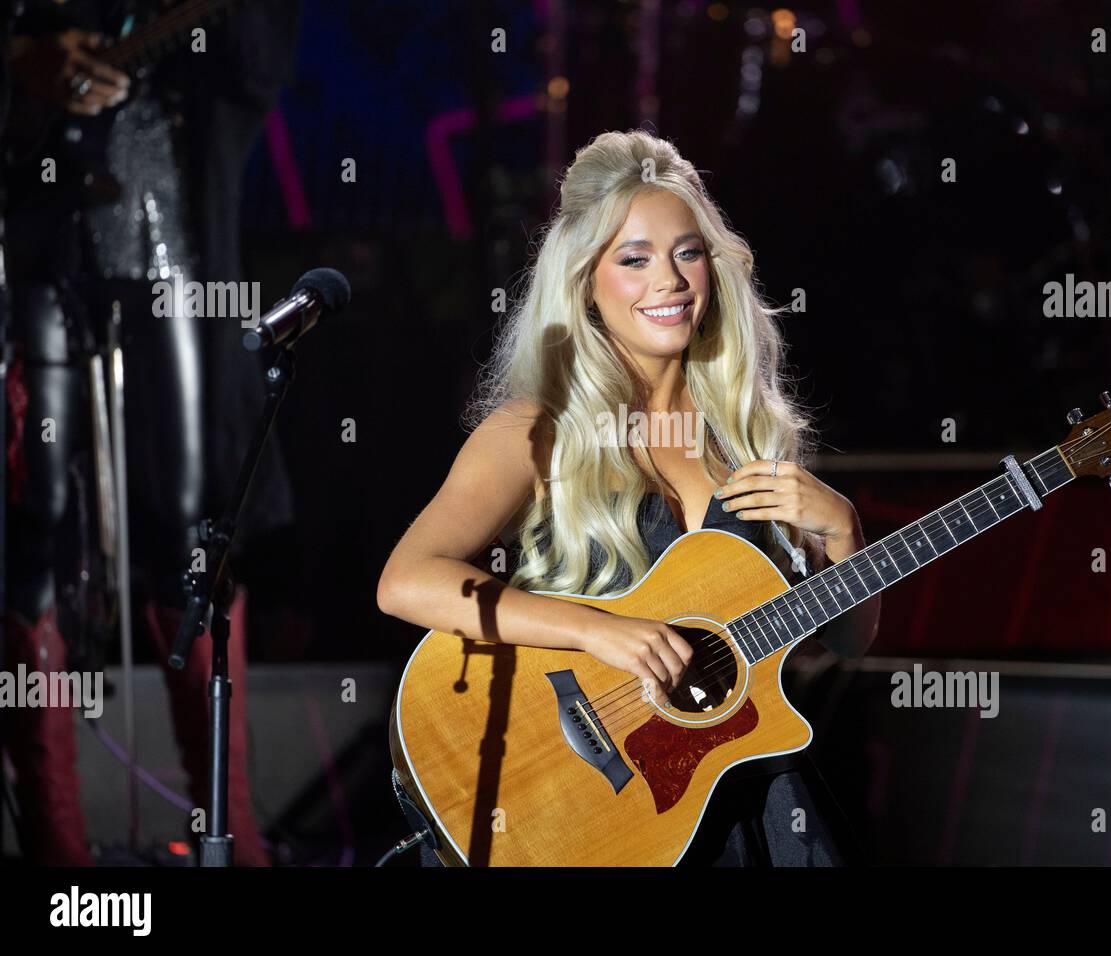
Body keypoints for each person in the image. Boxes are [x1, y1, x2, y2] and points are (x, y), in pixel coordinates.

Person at [377, 129, 881, 866]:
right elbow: (406, 580)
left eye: (687, 252)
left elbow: (845, 639)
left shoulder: (743, 437)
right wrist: (595, 631)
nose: (669, 280)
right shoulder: (536, 428)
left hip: (734, 793)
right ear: (586, 281)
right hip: (592, 804)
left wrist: (844, 531)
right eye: (634, 259)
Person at [2, 1, 299, 866]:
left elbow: (261, 63)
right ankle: (58, 846)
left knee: (195, 526)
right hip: (33, 237)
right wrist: (24, 54)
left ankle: (227, 827)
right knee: (36, 530)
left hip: (175, 241)